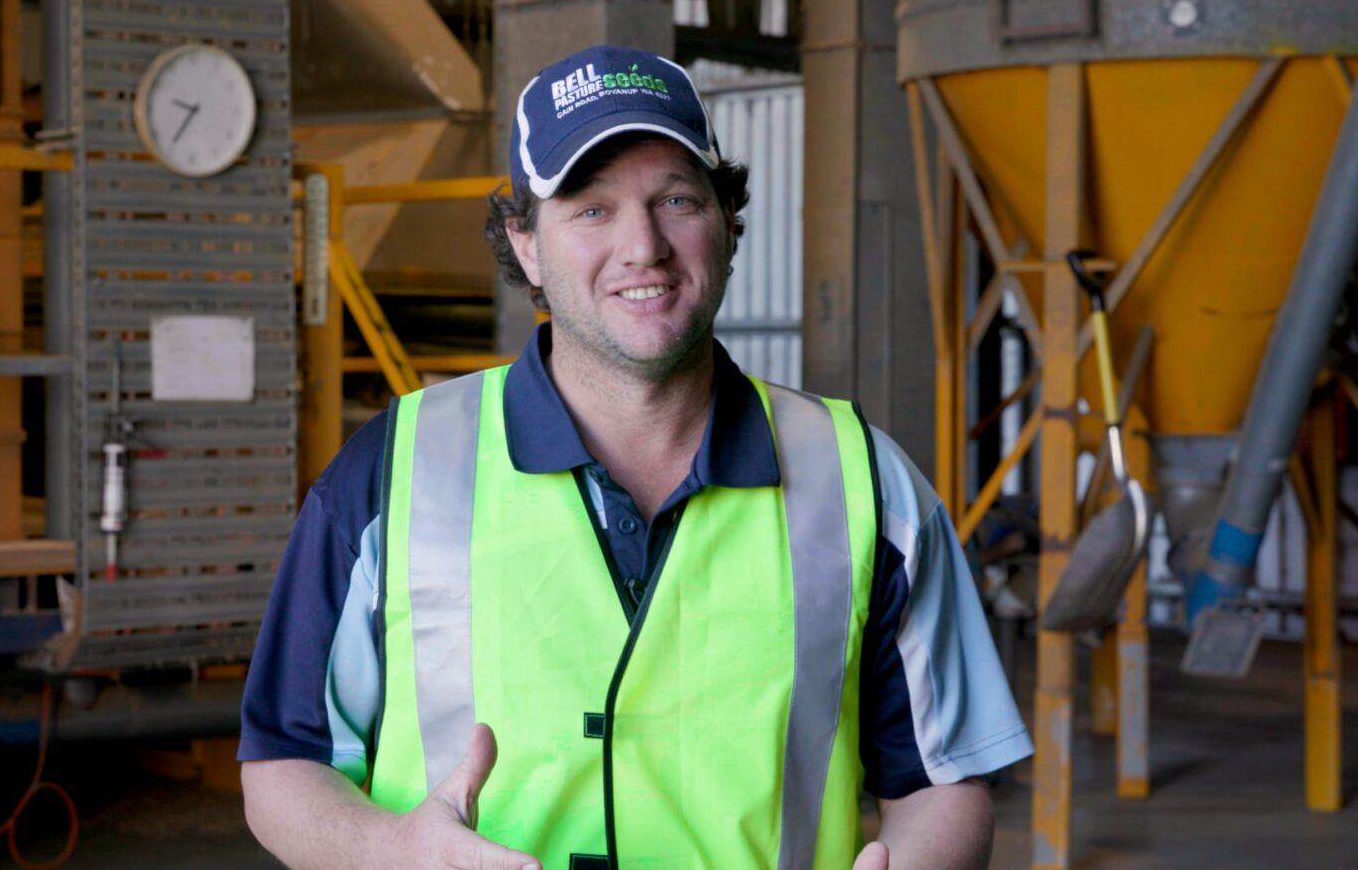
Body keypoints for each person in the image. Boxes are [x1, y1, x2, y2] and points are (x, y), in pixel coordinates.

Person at [238, 45, 1031, 870]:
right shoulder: (391, 473)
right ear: (528, 244)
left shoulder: (864, 482)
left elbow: (946, 779)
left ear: (727, 221)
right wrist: (385, 850)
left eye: (677, 199)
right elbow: (284, 761)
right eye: (590, 209)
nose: (642, 245)